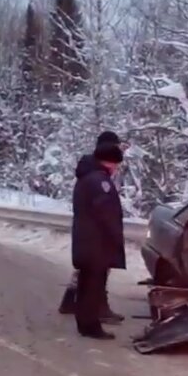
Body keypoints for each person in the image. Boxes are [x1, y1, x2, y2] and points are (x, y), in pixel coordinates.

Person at [60, 130, 126, 323]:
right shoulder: (98, 173)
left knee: (87, 270)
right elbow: (102, 206)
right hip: (96, 233)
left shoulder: (90, 167)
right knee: (97, 270)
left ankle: (71, 301)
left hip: (87, 231)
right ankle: (97, 308)